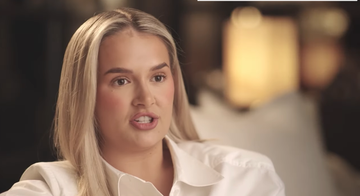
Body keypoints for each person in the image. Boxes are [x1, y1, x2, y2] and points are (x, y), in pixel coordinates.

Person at [1, 8, 285, 196]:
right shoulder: (50, 189)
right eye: (121, 81)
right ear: (85, 94)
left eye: (158, 77)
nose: (146, 98)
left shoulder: (245, 177)